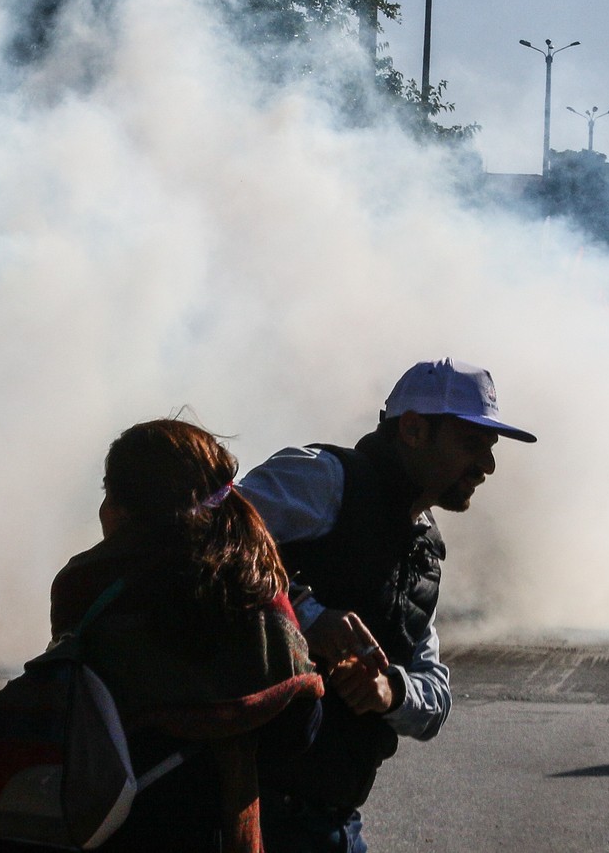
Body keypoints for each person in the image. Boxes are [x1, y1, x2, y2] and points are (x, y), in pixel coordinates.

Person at [0, 419, 324, 853]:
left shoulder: (86, 583)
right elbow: (299, 728)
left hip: (106, 826)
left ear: (123, 509)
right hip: (217, 829)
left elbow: (75, 711)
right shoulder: (257, 586)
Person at [241, 358, 536, 853]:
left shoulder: (422, 550)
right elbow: (206, 536)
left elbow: (434, 698)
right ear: (414, 429)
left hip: (333, 823)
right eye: (472, 443)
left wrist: (390, 691)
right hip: (249, 809)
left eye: (490, 448)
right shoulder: (326, 478)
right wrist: (305, 616)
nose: (487, 466)